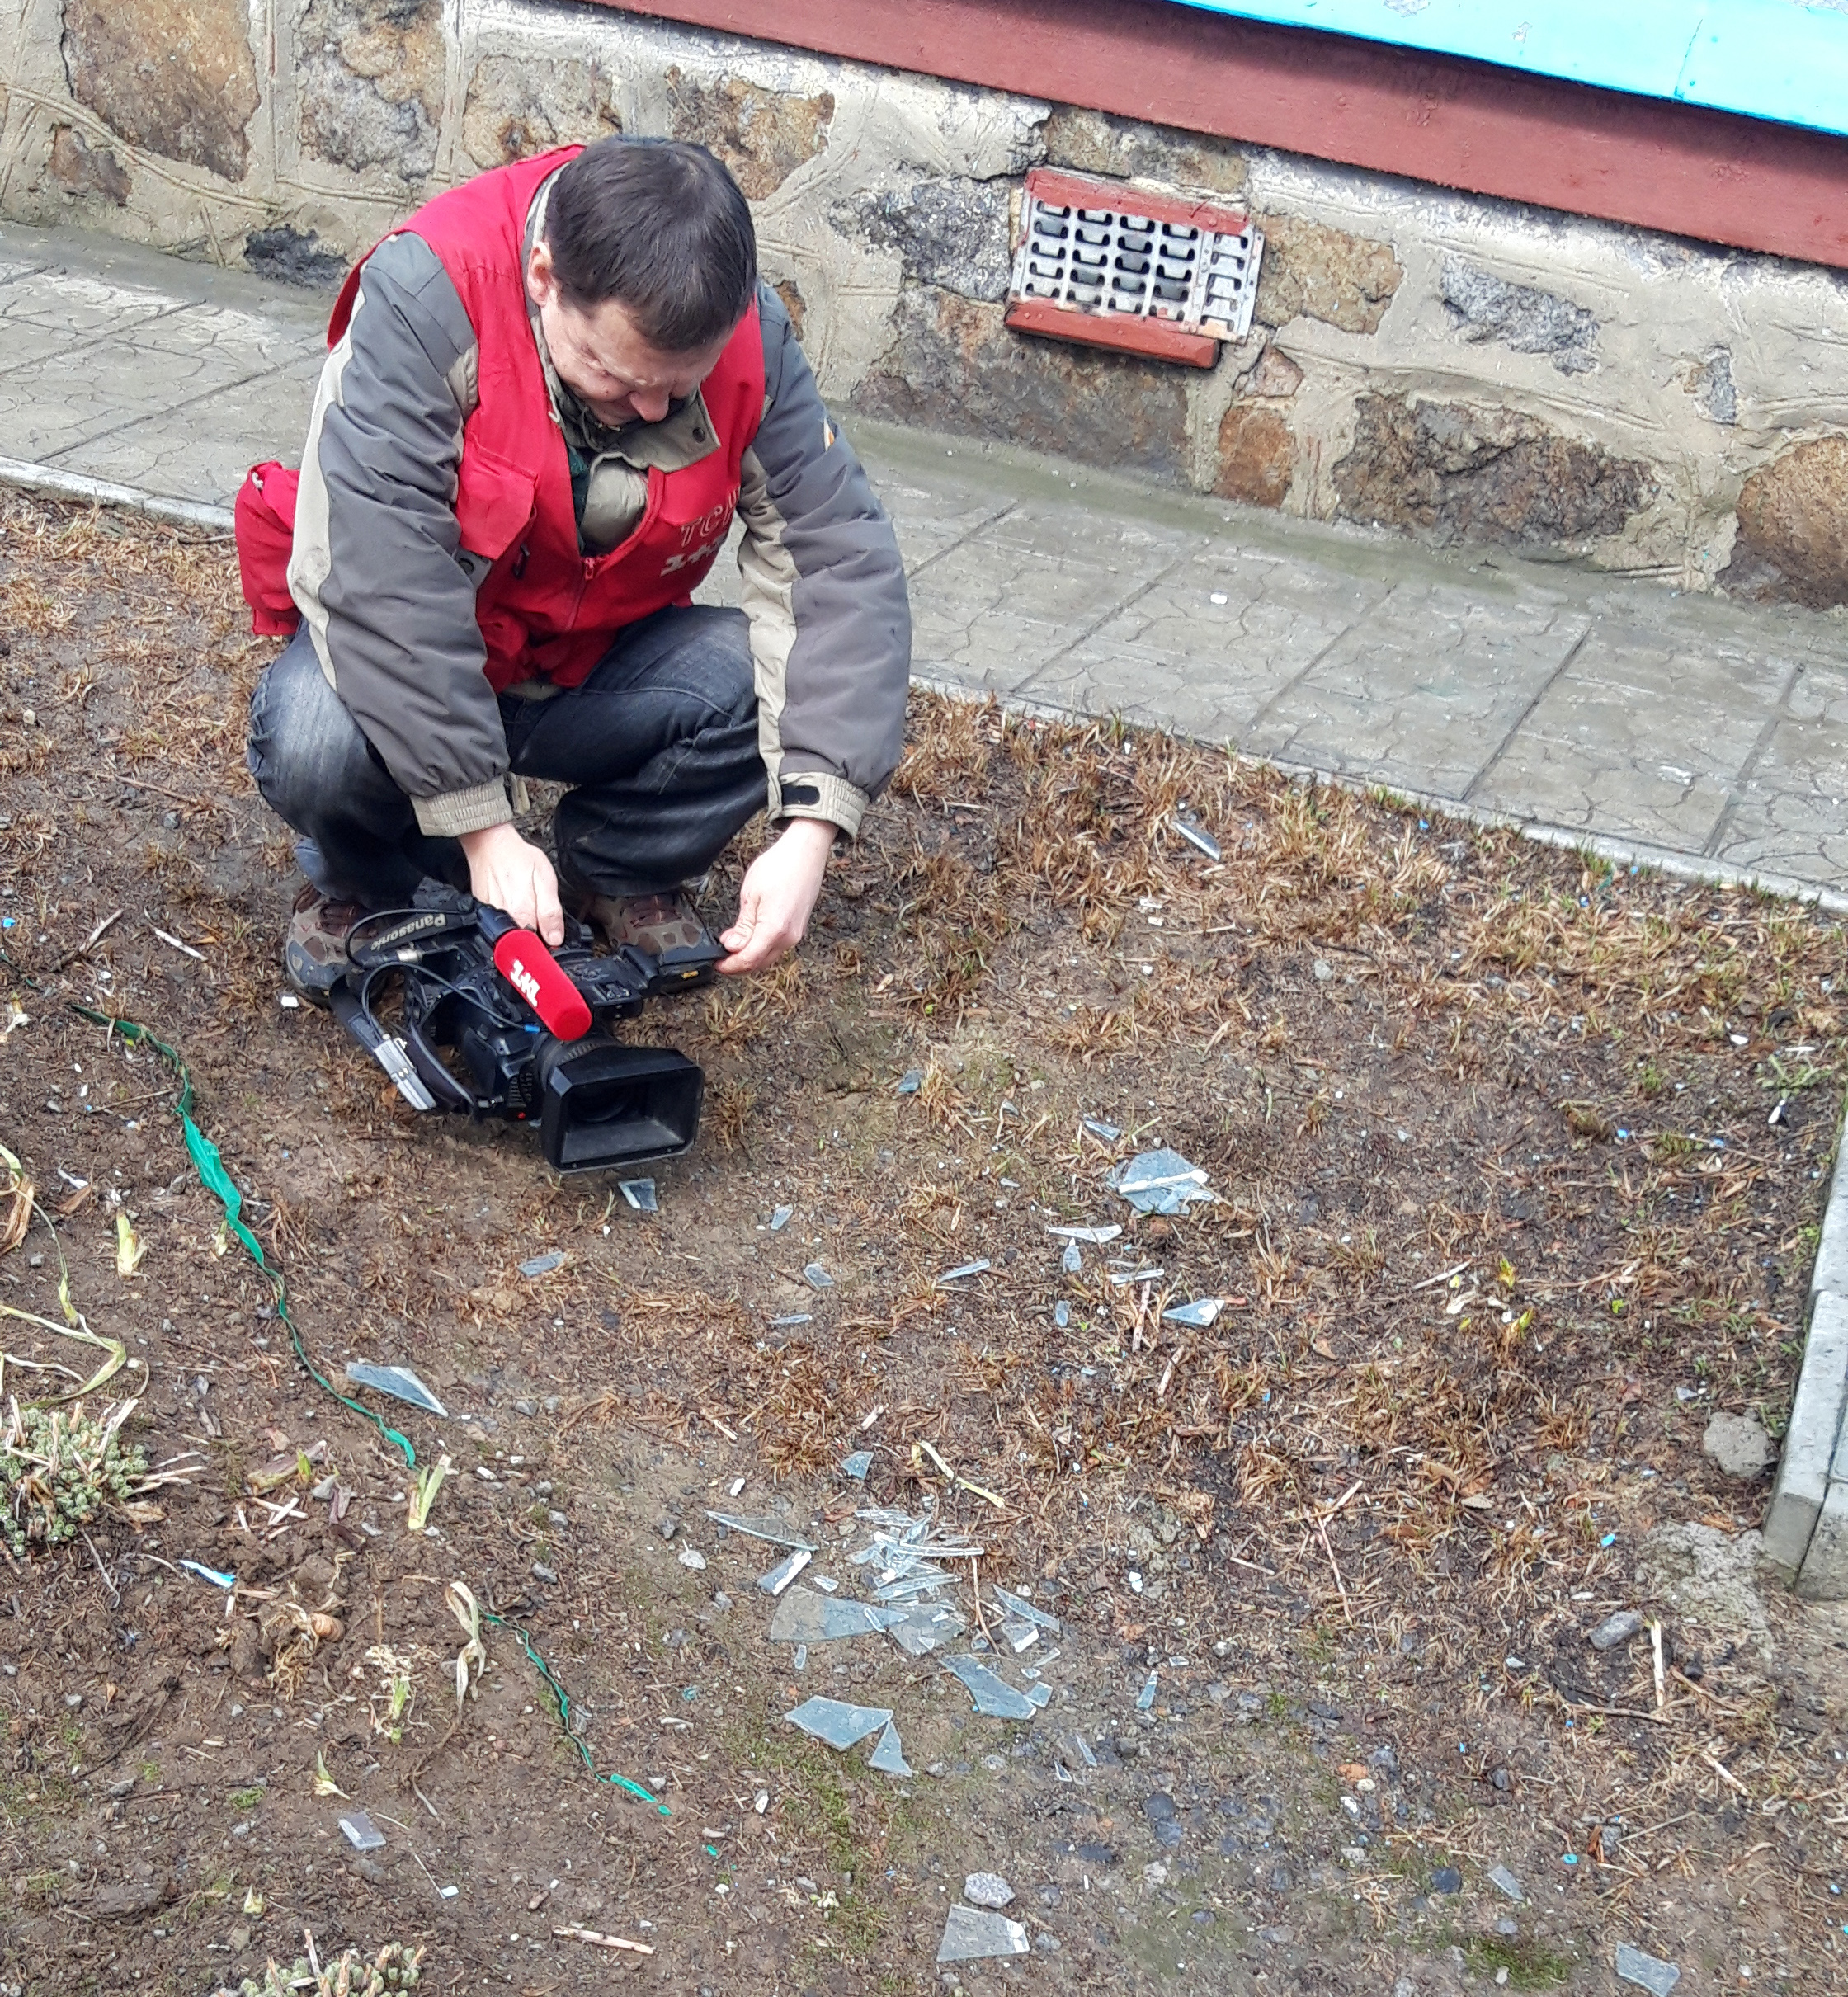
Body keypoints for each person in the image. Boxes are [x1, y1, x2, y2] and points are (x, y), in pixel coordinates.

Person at [236, 136, 911, 999]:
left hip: (585, 660)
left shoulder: (749, 333)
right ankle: (371, 885)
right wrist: (482, 830)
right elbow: (383, 582)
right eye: (615, 373)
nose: (652, 408)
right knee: (313, 740)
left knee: (757, 683)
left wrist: (811, 832)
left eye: (678, 386)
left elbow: (836, 561)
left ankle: (613, 868)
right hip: (425, 655)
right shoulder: (425, 297)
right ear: (545, 275)